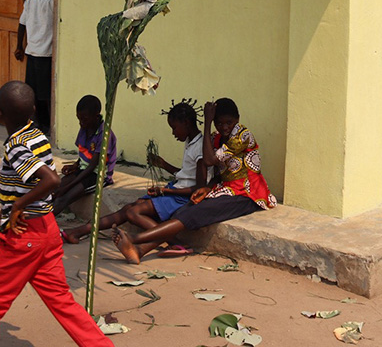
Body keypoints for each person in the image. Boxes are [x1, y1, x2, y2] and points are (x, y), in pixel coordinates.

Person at [0, 81, 110, 347]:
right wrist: (7, 196)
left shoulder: (15, 145)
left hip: (25, 236)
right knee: (62, 301)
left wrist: (18, 206)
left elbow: (50, 180)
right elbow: (32, 181)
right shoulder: (37, 135)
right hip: (47, 230)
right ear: (32, 111)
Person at [112, 97, 275, 264]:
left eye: (229, 122)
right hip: (224, 188)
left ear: (238, 119)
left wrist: (206, 123)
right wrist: (207, 188)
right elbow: (216, 170)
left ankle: (135, 239)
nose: (224, 127)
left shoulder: (242, 135)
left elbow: (210, 160)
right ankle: (140, 250)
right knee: (184, 210)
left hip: (246, 193)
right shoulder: (216, 138)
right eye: (218, 123)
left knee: (194, 213)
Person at [63, 100, 208, 245]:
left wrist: (162, 190)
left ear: (186, 123)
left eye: (174, 128)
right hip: (175, 189)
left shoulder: (200, 148)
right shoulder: (191, 141)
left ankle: (176, 243)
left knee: (132, 213)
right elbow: (187, 174)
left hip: (180, 197)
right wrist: (163, 165)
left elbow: (198, 188)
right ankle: (80, 231)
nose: (173, 133)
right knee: (129, 208)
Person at [50, 95, 117, 215]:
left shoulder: (104, 135)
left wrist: (67, 187)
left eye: (84, 119)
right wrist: (75, 165)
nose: (81, 123)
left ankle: (43, 227)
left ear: (96, 116)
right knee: (53, 189)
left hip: (97, 175)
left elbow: (93, 166)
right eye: (78, 119)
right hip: (84, 170)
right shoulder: (85, 127)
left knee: (63, 198)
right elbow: (85, 154)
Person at [14, 0, 55, 132]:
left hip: (31, 53)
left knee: (32, 91)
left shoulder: (30, 0)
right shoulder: (52, 2)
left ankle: (34, 122)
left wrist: (19, 46)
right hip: (46, 54)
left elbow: (21, 24)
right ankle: (46, 124)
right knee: (45, 93)